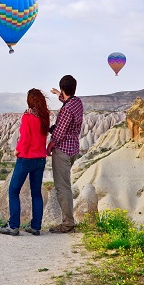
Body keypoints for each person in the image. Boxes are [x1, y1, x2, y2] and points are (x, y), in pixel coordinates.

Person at [0, 88, 51, 236]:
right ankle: (35, 226)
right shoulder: (44, 116)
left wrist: (17, 150)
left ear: (29, 101)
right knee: (36, 193)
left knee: (13, 190)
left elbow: (25, 138)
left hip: (26, 158)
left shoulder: (27, 117)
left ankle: (13, 226)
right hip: (40, 159)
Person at [47, 75, 83, 233]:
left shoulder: (66, 110)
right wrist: (58, 94)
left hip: (62, 151)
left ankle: (68, 223)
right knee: (65, 185)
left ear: (63, 89)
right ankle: (68, 220)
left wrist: (50, 144)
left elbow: (59, 132)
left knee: (63, 187)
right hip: (73, 149)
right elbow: (68, 101)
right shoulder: (77, 103)